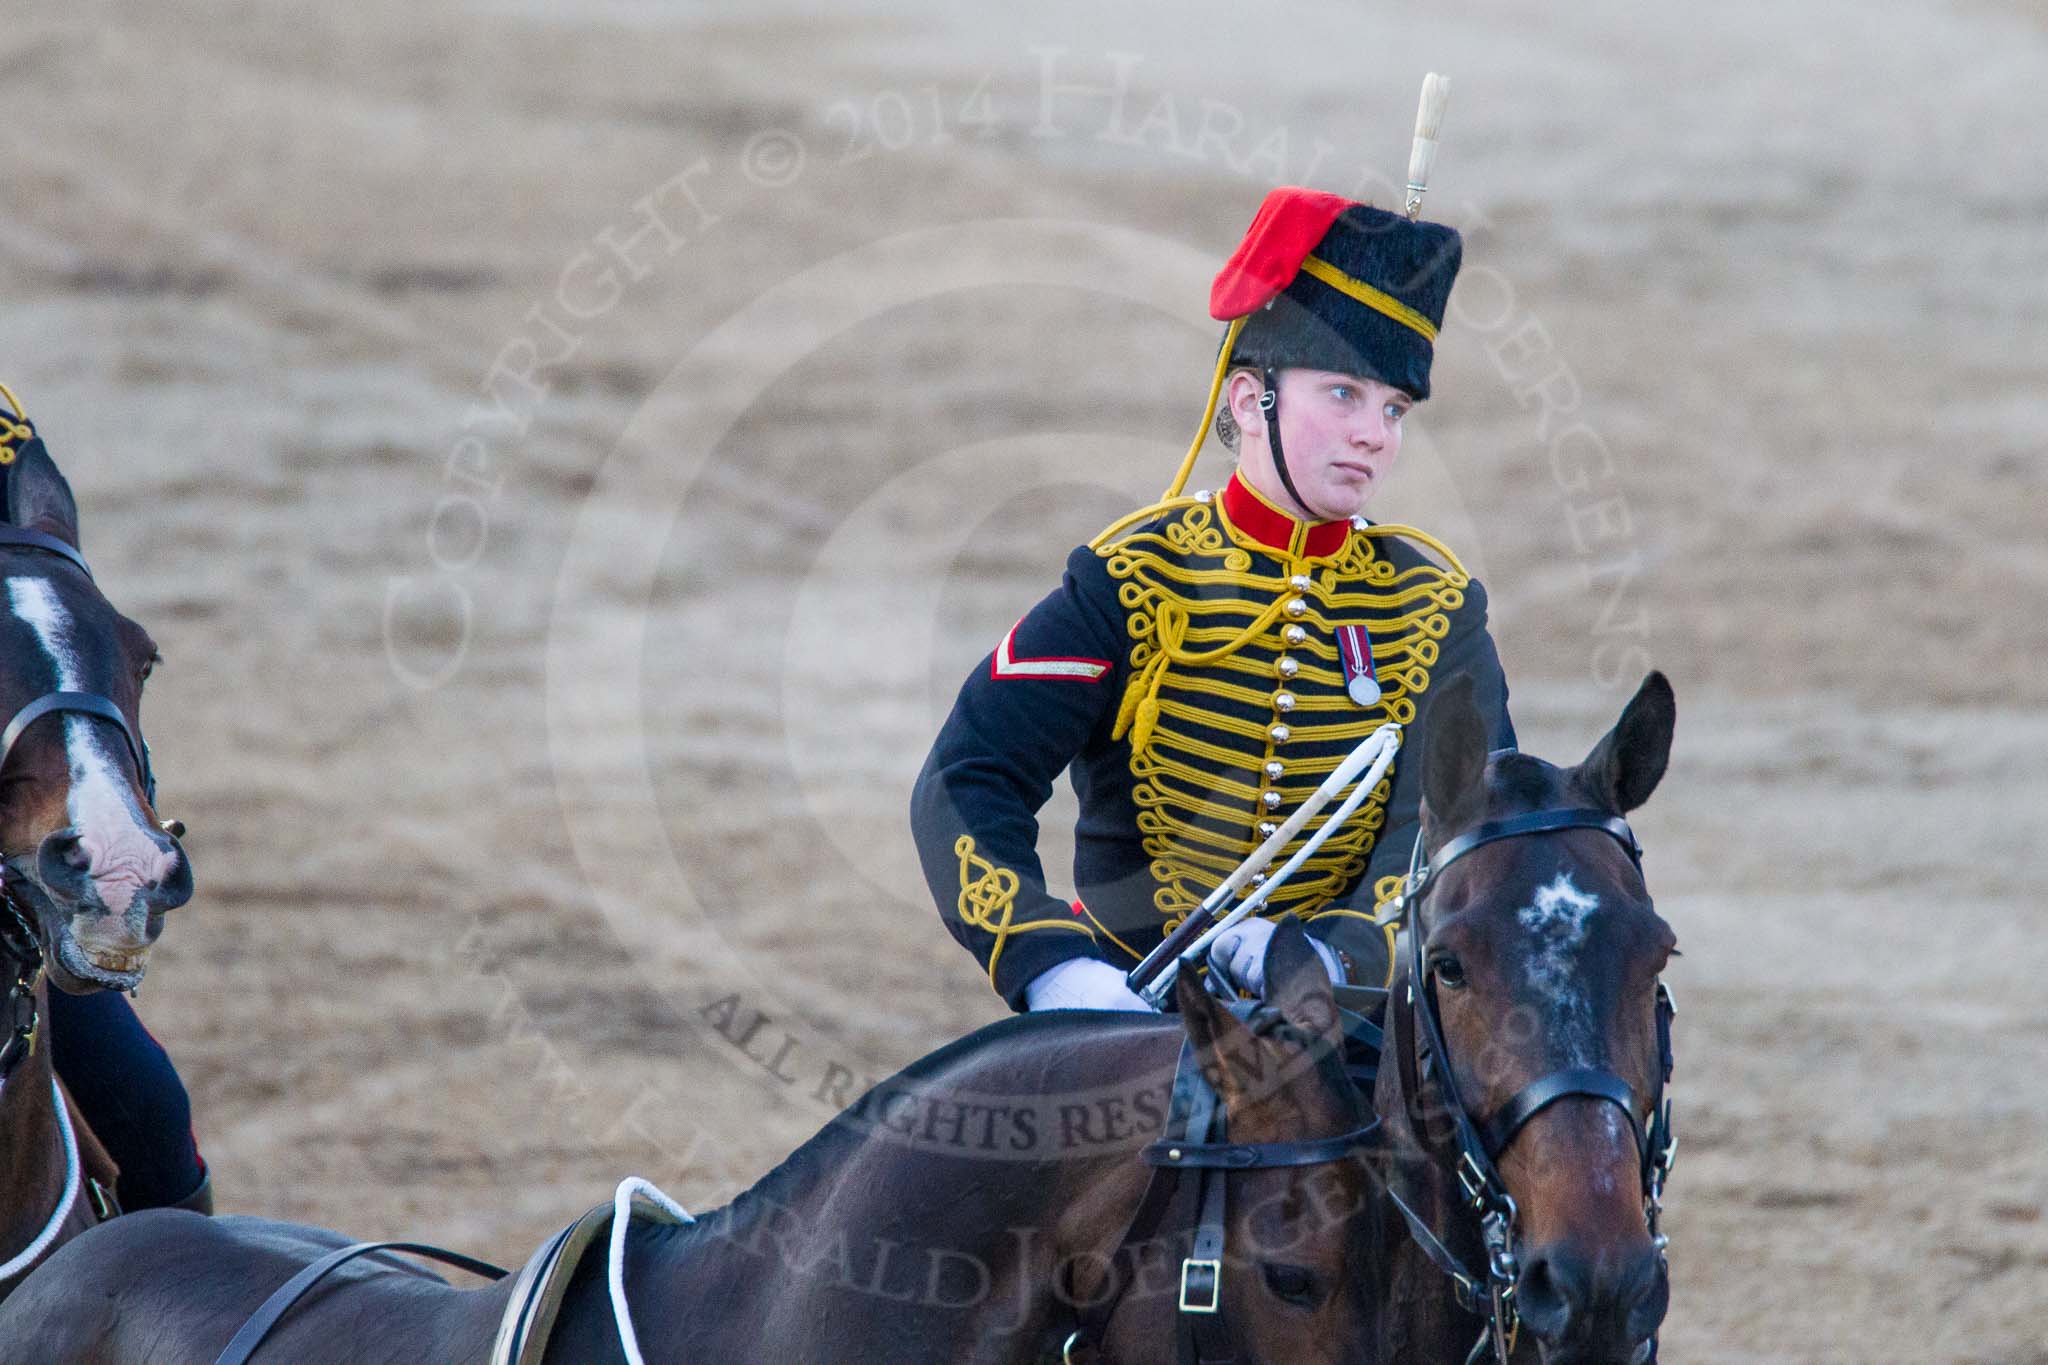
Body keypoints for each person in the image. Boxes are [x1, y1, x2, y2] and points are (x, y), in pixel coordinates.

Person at [910, 185, 1515, 1012]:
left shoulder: (1436, 610)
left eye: (1394, 408)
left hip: (1350, 1031)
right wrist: (1056, 968)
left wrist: (1330, 958)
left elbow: (1462, 821)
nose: (1375, 434)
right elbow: (967, 777)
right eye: (1342, 394)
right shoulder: (1130, 580)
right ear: (1248, 399)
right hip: (1135, 1014)